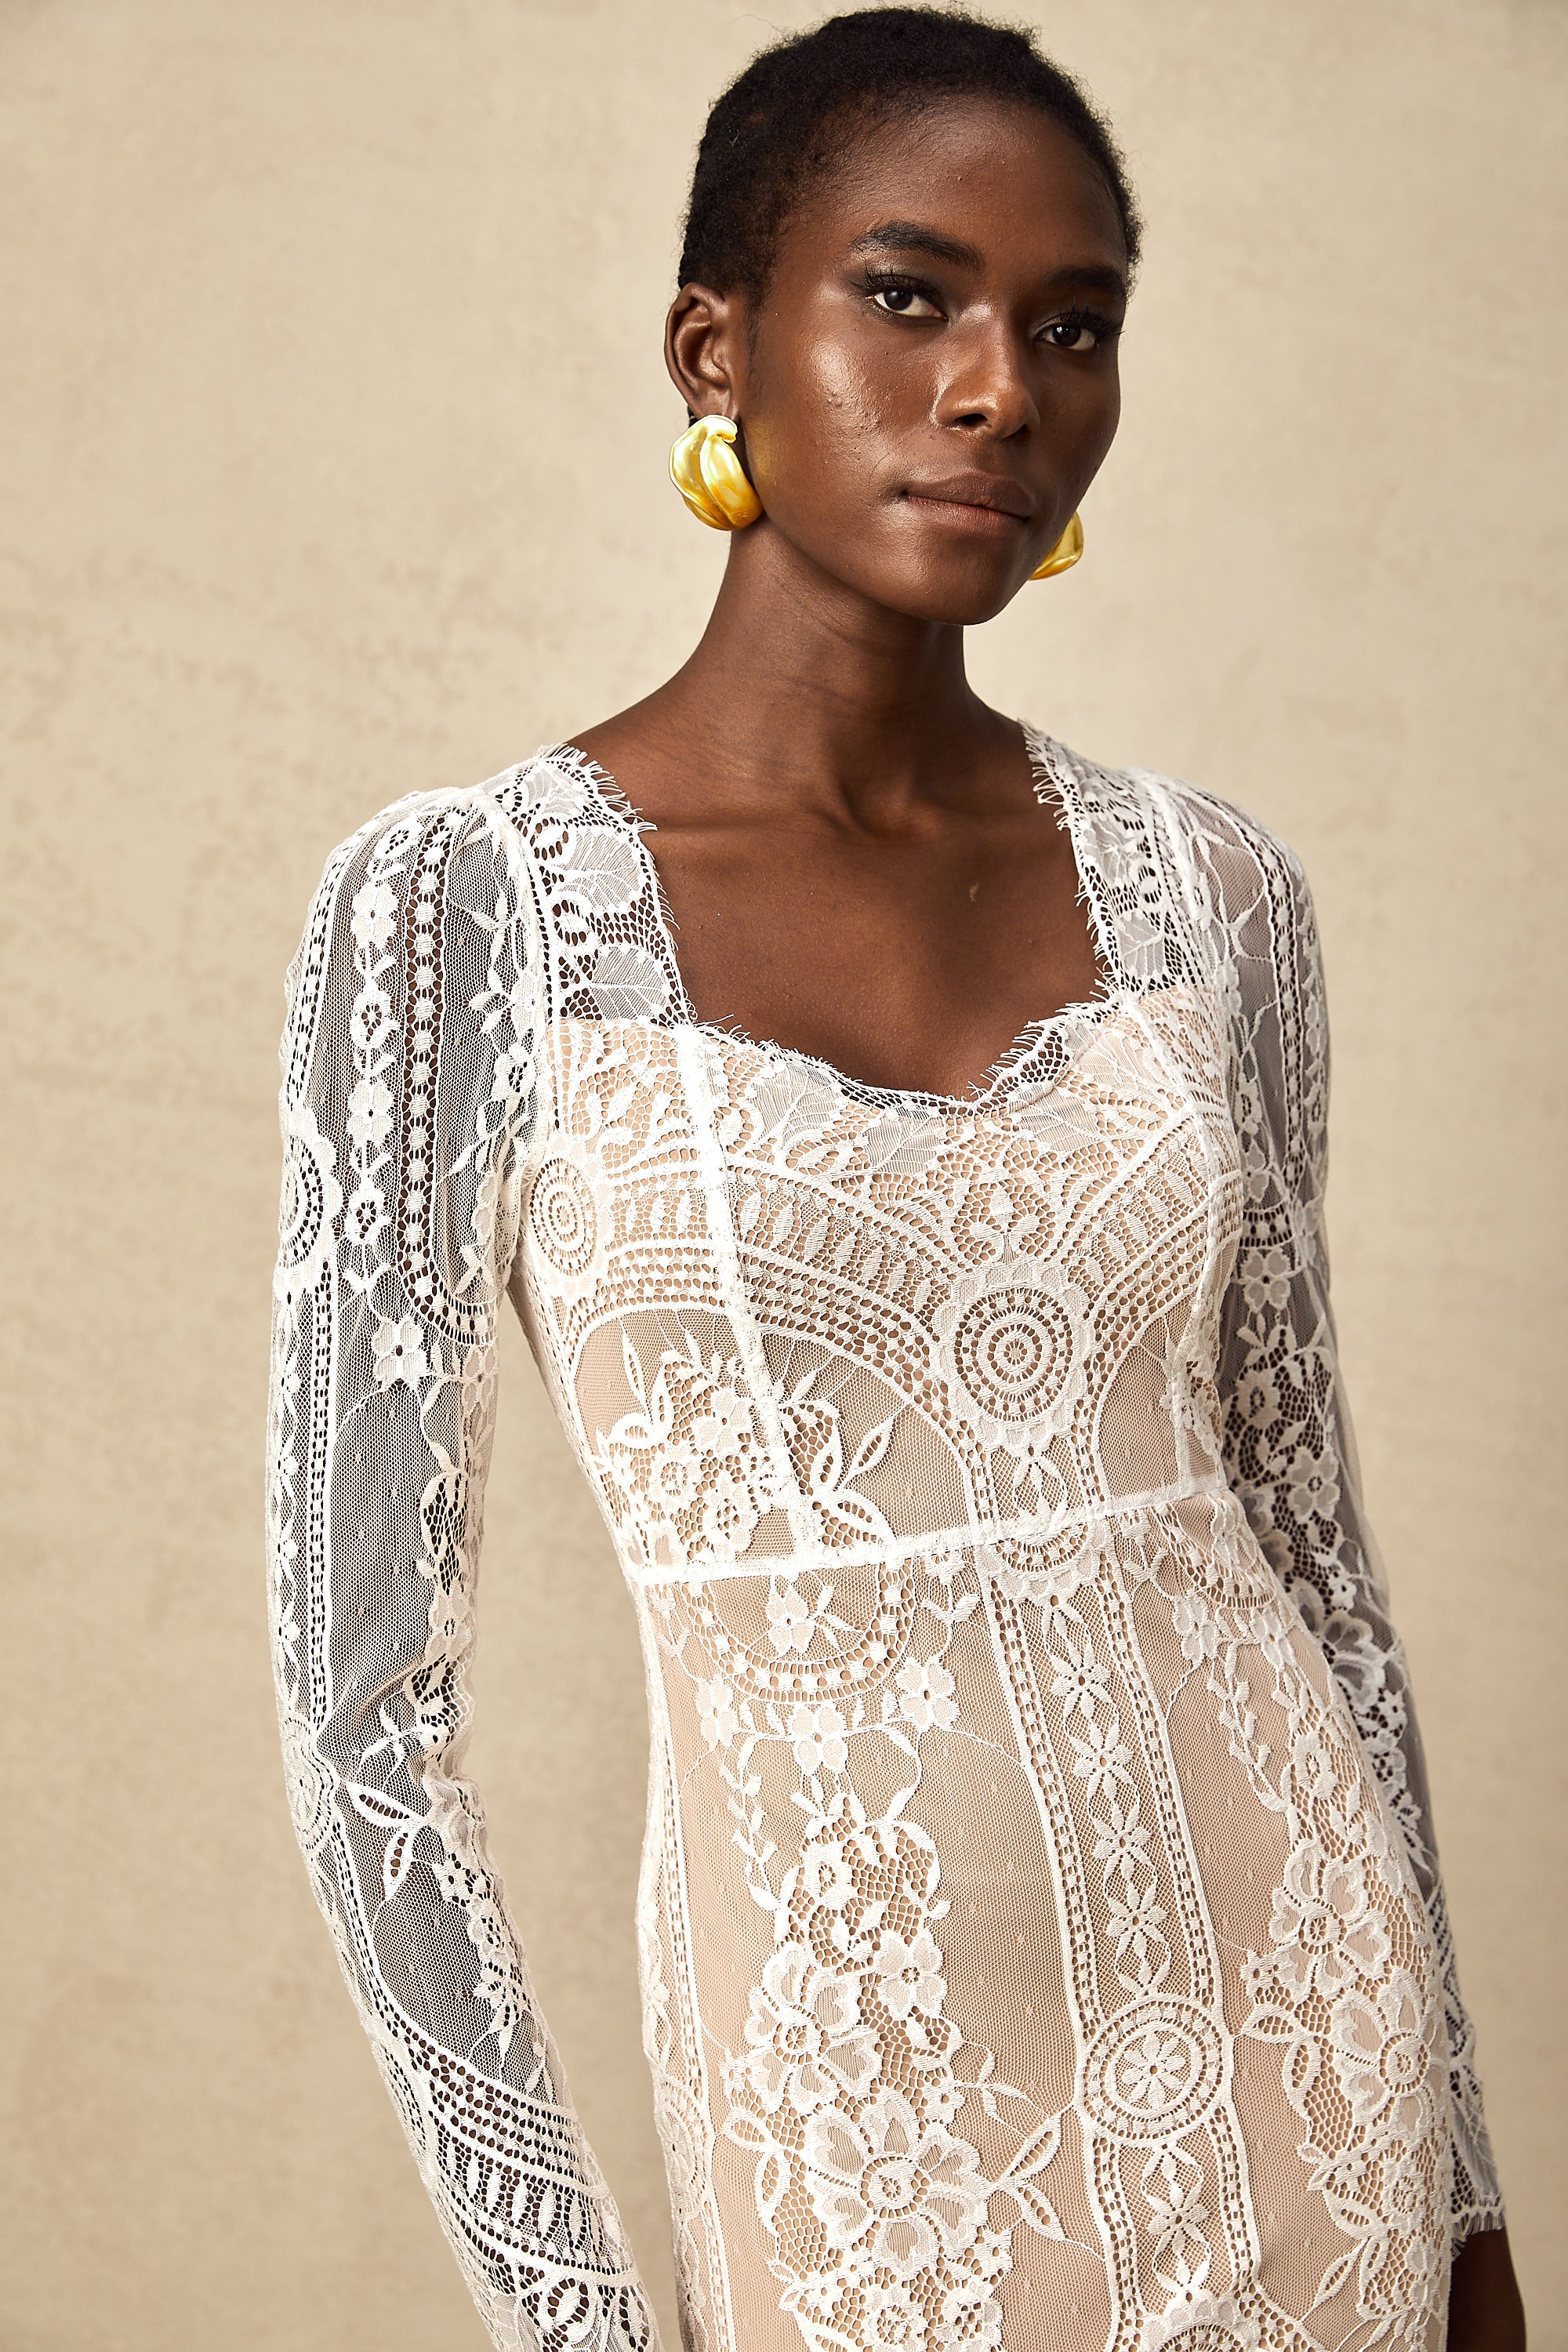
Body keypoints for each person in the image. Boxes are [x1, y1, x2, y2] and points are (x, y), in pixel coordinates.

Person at [266, 11, 1526, 2347]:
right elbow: (368, 1736)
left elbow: (1319, 1580)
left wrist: (1458, 2192)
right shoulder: (462, 913)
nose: (997, 391)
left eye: (1073, 327)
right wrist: (577, 2321)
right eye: (911, 295)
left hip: (1308, 2066)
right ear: (714, 351)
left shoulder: (1212, 897)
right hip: (867, 2142)